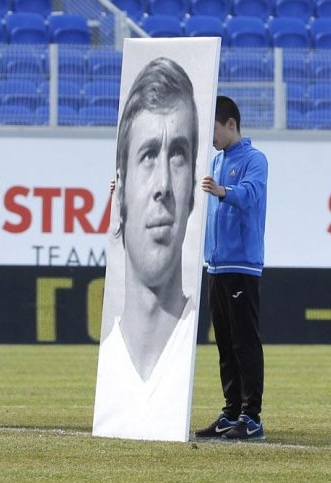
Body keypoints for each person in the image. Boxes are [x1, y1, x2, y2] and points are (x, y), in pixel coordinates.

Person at [93, 56, 201, 441]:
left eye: (178, 156)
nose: (164, 186)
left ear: (193, 191)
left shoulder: (195, 342)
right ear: (120, 189)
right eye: (149, 155)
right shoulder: (109, 362)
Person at [194, 95, 269, 441]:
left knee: (244, 342)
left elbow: (250, 195)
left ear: (231, 124)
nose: (210, 136)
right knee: (224, 343)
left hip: (242, 265)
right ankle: (231, 411)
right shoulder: (216, 160)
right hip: (216, 265)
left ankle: (251, 416)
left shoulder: (255, 159)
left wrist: (223, 191)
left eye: (213, 128)